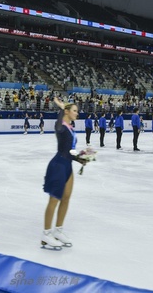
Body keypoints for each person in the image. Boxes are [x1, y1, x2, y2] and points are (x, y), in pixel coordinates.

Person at [41, 97, 87, 249]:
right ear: (67, 112)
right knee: (54, 200)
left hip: (68, 165)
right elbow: (61, 120)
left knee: (66, 198)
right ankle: (46, 234)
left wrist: (81, 159)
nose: (77, 113)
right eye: (74, 111)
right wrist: (62, 107)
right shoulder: (60, 126)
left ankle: (58, 230)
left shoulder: (70, 127)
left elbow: (70, 150)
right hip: (58, 165)